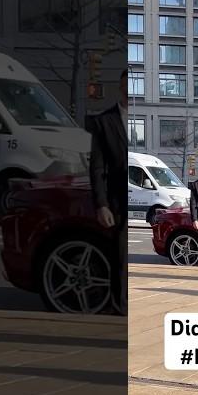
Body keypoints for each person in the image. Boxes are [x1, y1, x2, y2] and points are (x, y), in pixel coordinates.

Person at [88, 69, 128, 315]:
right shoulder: (103, 122)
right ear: (120, 87)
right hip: (117, 199)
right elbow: (96, 167)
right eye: (125, 86)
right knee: (121, 257)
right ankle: (121, 308)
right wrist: (101, 204)